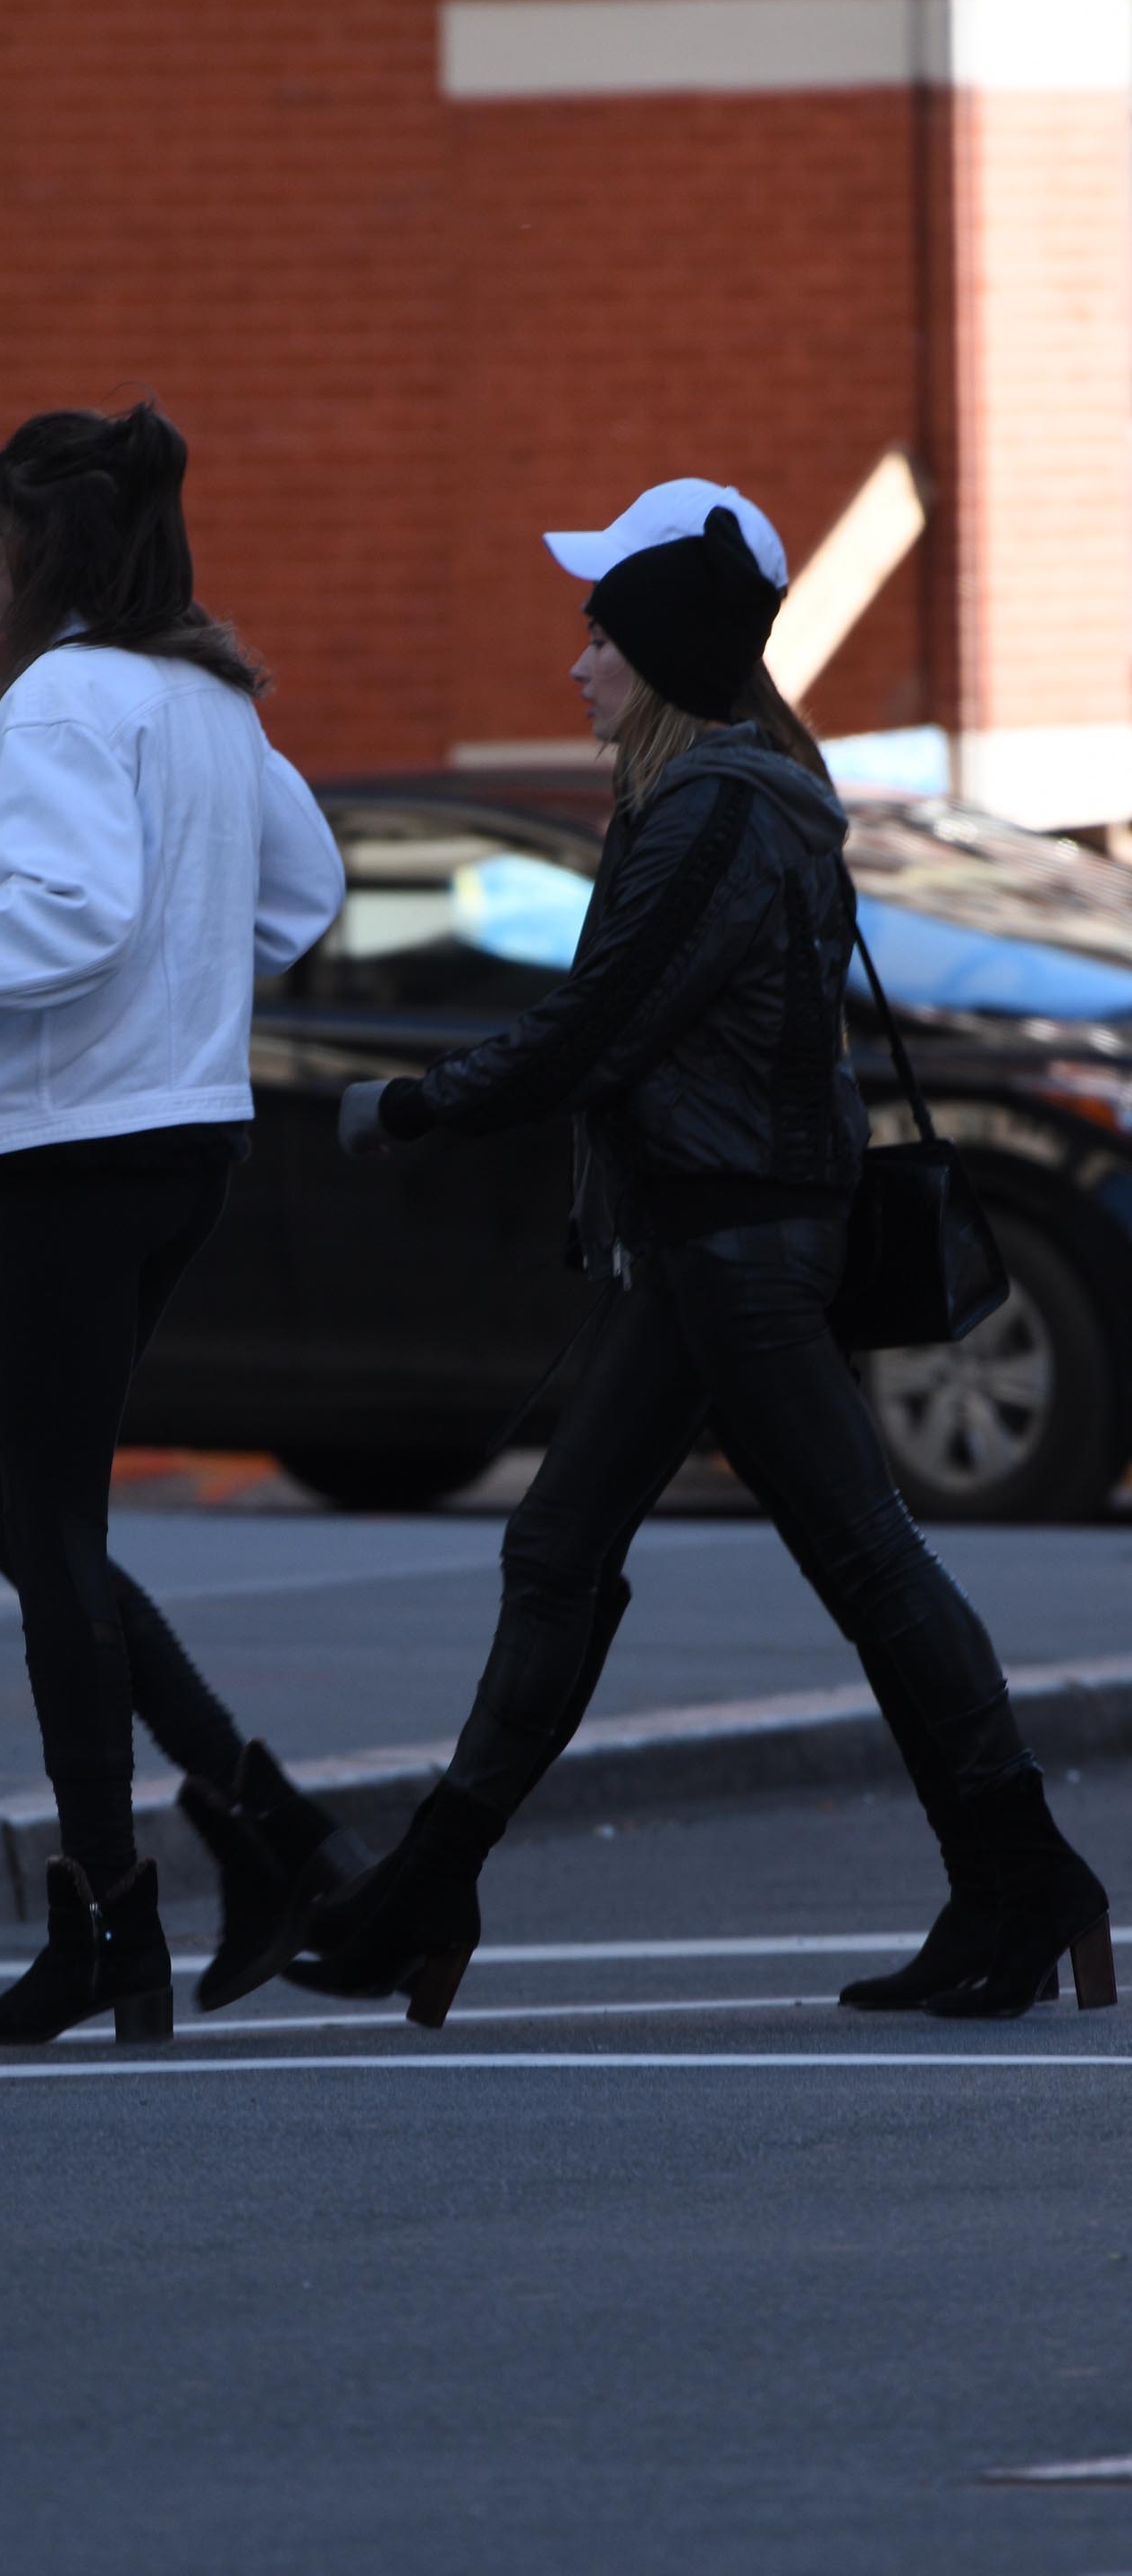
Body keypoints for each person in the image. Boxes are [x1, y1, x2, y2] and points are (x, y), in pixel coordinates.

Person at [293, 487, 1114, 2029]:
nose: (577, 660)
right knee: (563, 1552)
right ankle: (431, 1886)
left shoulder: (720, 813)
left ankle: (1024, 1882)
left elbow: (600, 1028)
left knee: (868, 1558)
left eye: (599, 627)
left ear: (666, 639)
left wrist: (411, 1105)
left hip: (736, 1244)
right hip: (698, 1238)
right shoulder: (723, 797)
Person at [0, 401, 358, 2046]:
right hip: (178, 1138)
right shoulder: (204, 695)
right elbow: (299, 892)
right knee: (18, 1515)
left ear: (40, 550)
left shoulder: (63, 699)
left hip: (75, 1147)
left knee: (45, 1535)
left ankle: (116, 1919)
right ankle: (270, 1831)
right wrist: (179, 993)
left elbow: (62, 912)